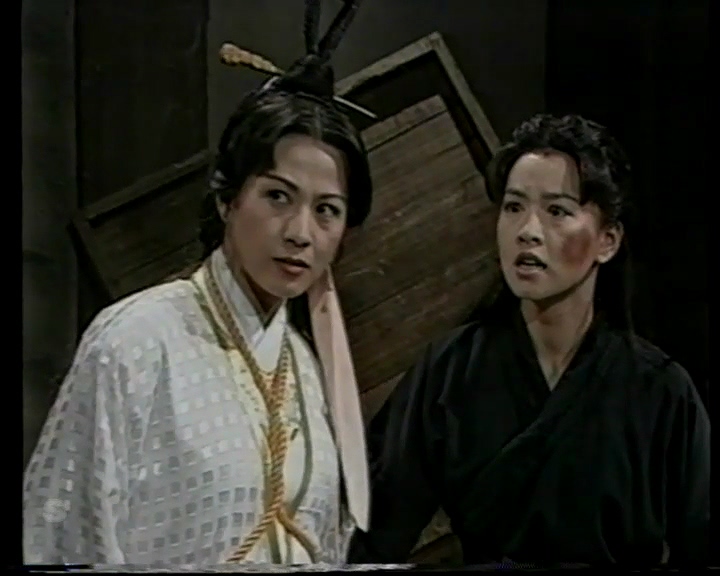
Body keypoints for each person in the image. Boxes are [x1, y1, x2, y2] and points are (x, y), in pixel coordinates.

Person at [24, 0, 374, 566]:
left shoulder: (306, 367)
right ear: (227, 199)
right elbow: (61, 537)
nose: (300, 233)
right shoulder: (134, 342)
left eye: (326, 210)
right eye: (277, 196)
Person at [347, 114, 710, 567]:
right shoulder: (451, 371)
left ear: (608, 240)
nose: (527, 231)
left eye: (557, 211)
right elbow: (373, 534)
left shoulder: (660, 391)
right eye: (514, 207)